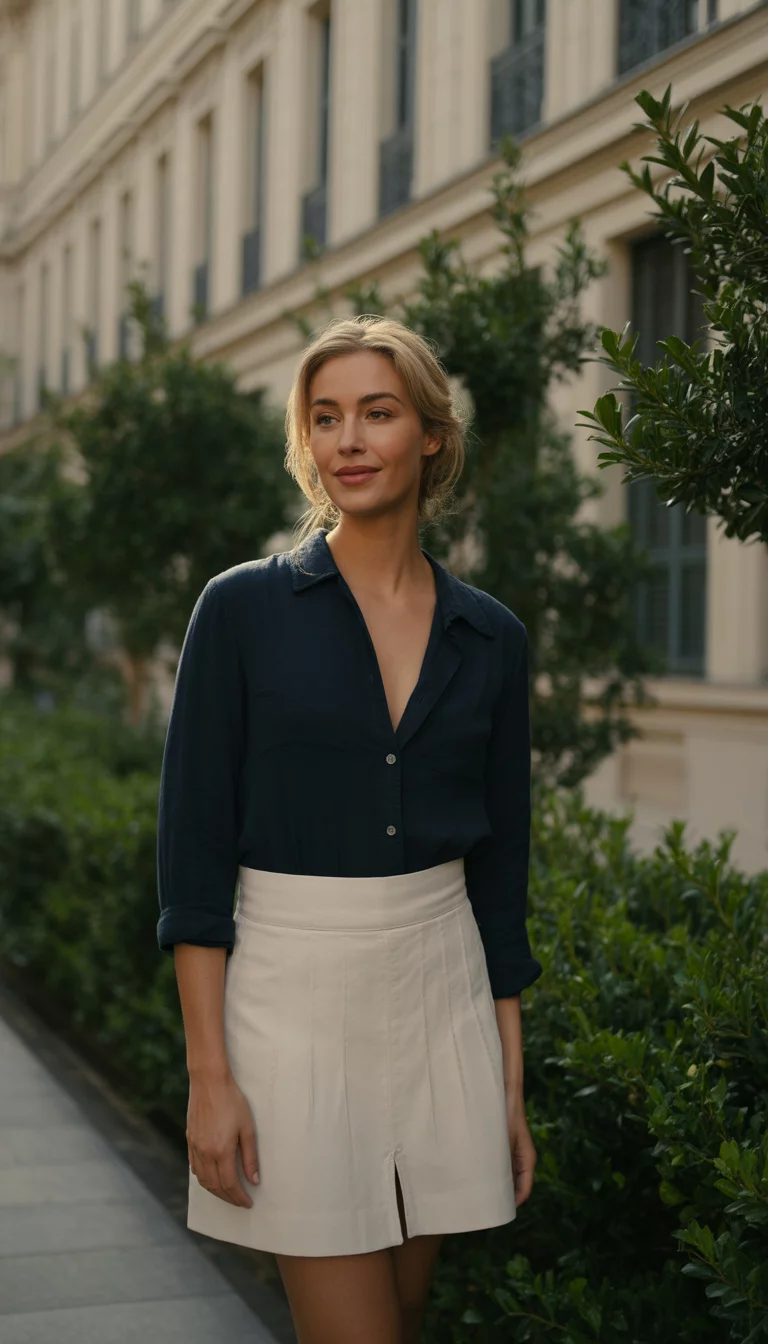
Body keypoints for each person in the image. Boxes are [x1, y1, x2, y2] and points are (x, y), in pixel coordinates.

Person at [156, 314, 542, 1344]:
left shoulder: (491, 638)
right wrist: (209, 1081)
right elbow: (192, 860)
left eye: (378, 413)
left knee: (405, 1313)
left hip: (443, 995)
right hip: (293, 1001)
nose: (350, 440)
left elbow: (502, 878)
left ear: (430, 436)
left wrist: (506, 1090)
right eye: (325, 418)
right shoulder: (240, 612)